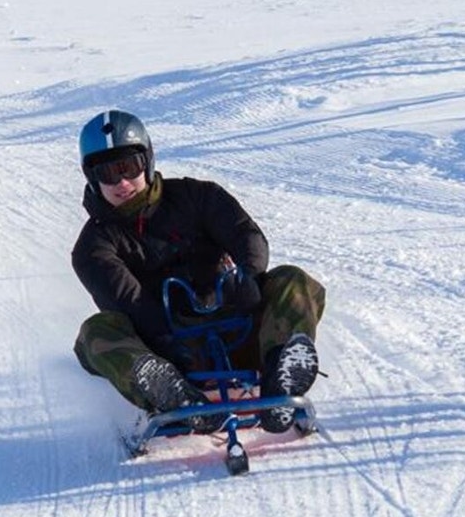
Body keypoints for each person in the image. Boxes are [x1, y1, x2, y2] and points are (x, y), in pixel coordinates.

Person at [70, 109, 325, 433]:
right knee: (96, 331)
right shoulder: (93, 246)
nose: (121, 182)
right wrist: (169, 346)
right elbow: (126, 301)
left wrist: (249, 275)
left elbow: (247, 236)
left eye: (128, 167)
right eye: (107, 173)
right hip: (169, 352)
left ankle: (280, 375)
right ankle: (173, 396)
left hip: (239, 331)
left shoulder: (197, 196)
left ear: (146, 162)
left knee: (292, 279)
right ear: (92, 178)